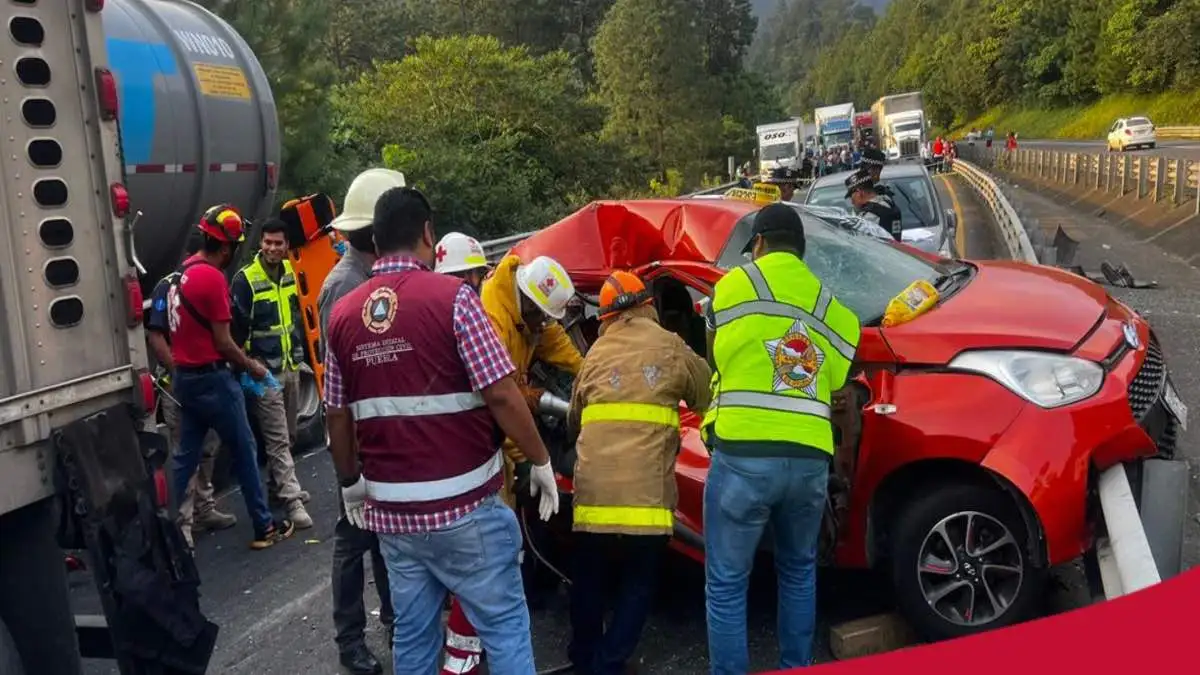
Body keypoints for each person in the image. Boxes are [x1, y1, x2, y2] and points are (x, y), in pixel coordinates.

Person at [324, 186, 560, 674]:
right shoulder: (455, 300)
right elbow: (501, 393)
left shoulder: (344, 317)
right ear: (427, 234)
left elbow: (336, 413)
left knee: (413, 638)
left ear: (374, 237)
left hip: (393, 517)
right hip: (465, 510)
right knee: (505, 625)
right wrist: (540, 459)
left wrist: (351, 482)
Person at [701, 203, 861, 674]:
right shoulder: (832, 306)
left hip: (743, 455)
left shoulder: (733, 286)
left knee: (728, 583)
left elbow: (715, 357)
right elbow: (837, 385)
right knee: (798, 571)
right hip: (810, 459)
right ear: (802, 251)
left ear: (759, 244)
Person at [567, 271, 712, 675]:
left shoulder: (594, 354)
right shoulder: (670, 345)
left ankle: (583, 657)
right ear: (646, 305)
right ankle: (608, 662)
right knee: (638, 581)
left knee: (590, 579)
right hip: (646, 504)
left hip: (593, 501)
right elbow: (705, 396)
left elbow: (573, 422)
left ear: (607, 317)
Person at [317, 167, 406, 675]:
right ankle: (350, 638)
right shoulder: (344, 286)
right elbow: (339, 387)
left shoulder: (370, 277)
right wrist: (350, 470)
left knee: (384, 530)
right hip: (354, 433)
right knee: (353, 536)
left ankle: (395, 617)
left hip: (376, 429)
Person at [166, 204, 295, 549]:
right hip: (213, 381)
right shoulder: (212, 278)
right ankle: (264, 527)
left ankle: (172, 532)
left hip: (185, 382)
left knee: (185, 458)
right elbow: (224, 342)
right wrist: (252, 366)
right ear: (226, 247)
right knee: (245, 449)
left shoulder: (181, 275)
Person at [146, 229, 235, 551]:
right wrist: (179, 372)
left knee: (209, 448)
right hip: (180, 387)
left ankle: (204, 509)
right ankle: (181, 523)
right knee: (185, 453)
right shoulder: (167, 285)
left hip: (208, 382)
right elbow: (155, 335)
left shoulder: (208, 281)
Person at [230, 219, 313, 530]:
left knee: (289, 435)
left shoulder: (292, 272)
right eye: (267, 242)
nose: (272, 248)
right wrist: (247, 369)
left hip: (291, 367)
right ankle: (292, 502)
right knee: (278, 439)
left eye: (278, 243)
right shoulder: (246, 280)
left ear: (286, 245)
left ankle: (277, 491)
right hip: (262, 373)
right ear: (260, 243)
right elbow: (234, 332)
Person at [846, 169, 903, 242]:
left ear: (859, 192)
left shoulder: (870, 216)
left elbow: (860, 243)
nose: (852, 201)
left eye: (852, 196)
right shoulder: (888, 202)